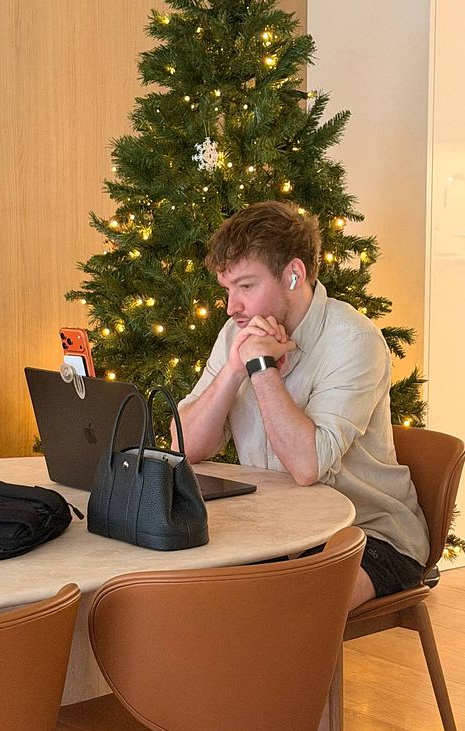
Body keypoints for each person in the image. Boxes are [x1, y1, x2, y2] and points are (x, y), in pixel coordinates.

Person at [176, 200, 429, 607]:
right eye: (227, 290)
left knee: (291, 614)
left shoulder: (353, 342)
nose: (231, 307)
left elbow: (307, 466)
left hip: (366, 534)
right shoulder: (235, 334)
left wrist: (261, 367)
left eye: (245, 286)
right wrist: (233, 371)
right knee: (173, 591)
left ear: (293, 274)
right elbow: (184, 447)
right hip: (270, 530)